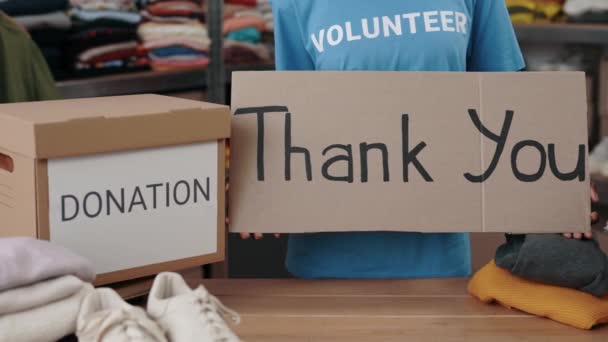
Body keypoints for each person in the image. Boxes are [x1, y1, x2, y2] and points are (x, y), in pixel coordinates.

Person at [239, 0, 599, 279]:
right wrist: (261, 188)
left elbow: (507, 97)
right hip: (326, 263)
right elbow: (292, 114)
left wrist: (557, 181)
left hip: (437, 261)